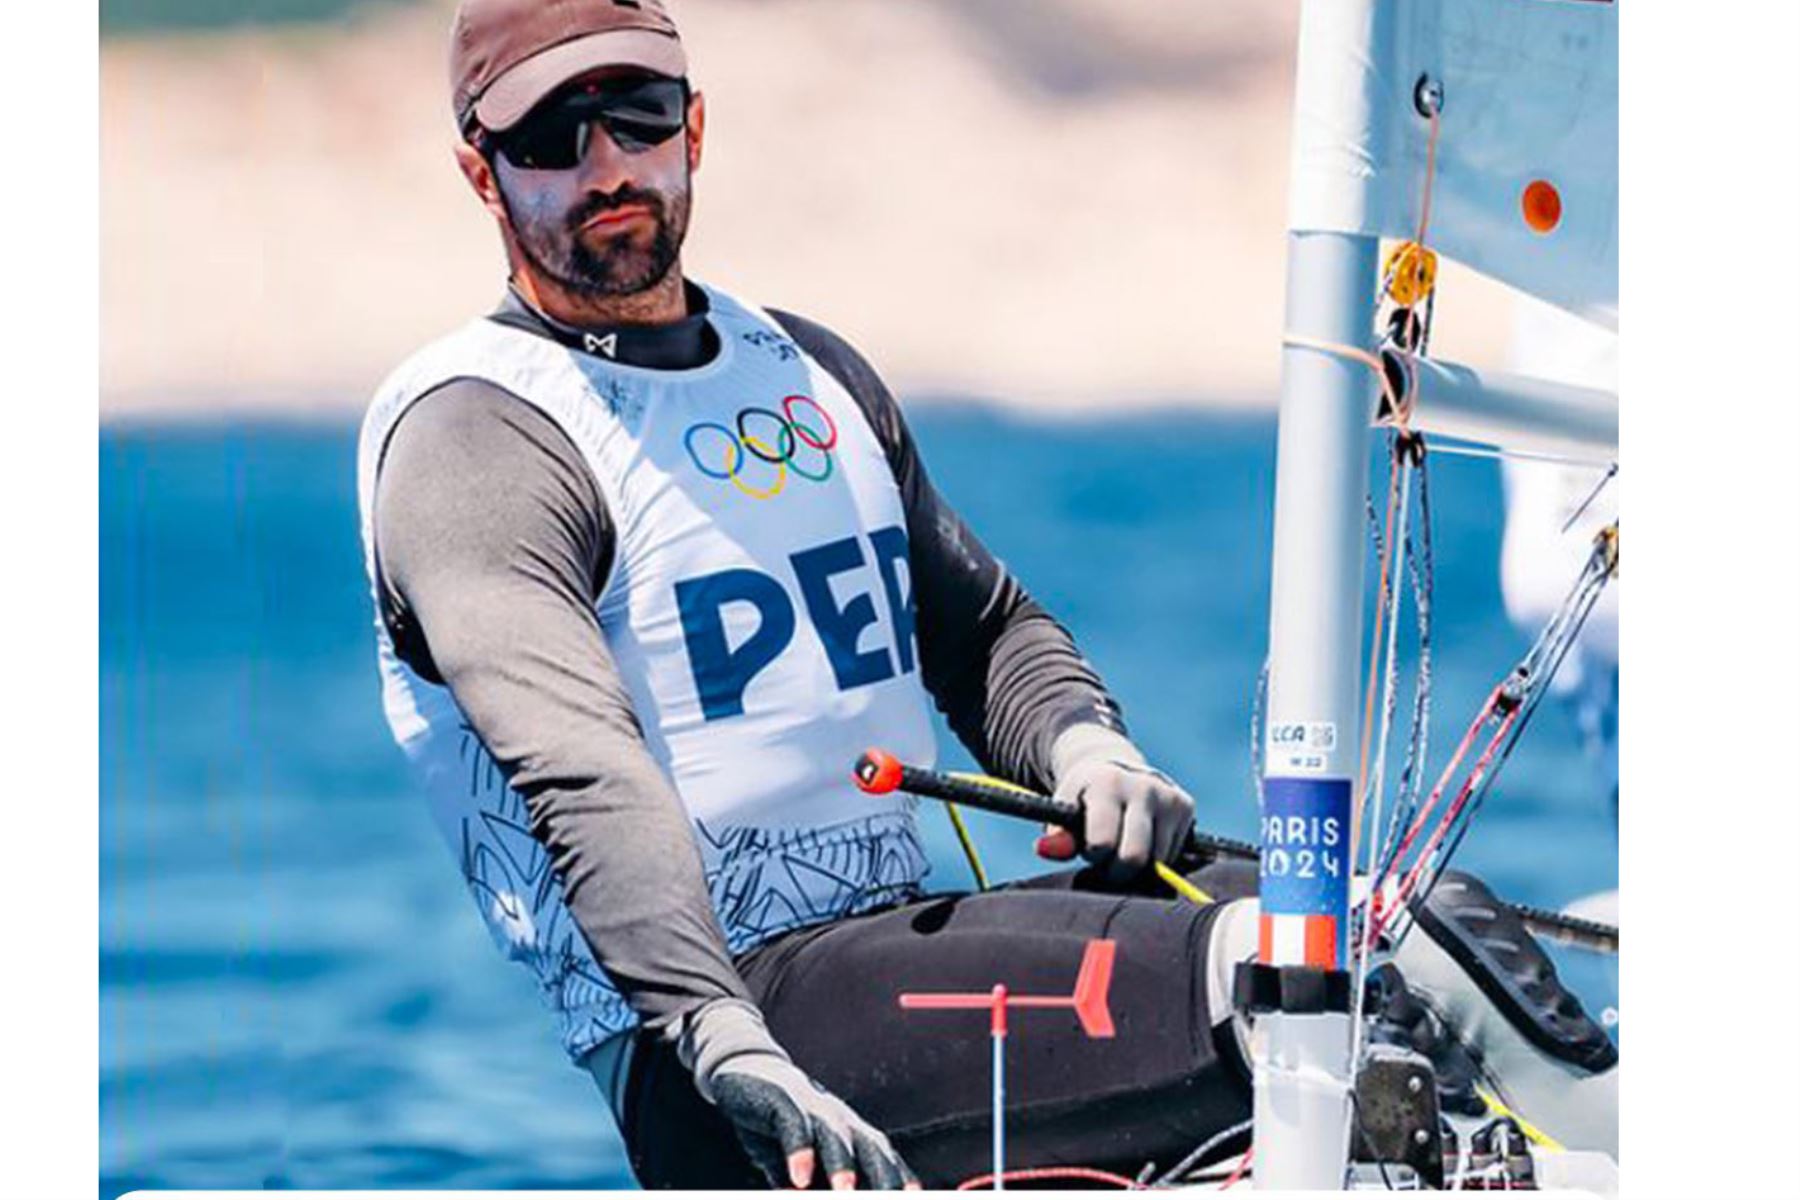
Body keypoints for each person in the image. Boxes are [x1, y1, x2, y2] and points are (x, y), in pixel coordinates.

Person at [357, 0, 1618, 1187]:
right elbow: (583, 770)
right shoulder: (478, 439)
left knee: (1418, 923)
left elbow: (985, 631)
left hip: (907, 964)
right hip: (727, 1042)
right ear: (483, 171)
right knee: (1283, 980)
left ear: (695, 125)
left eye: (632, 110)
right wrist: (714, 1034)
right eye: (548, 137)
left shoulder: (806, 369)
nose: (605, 165)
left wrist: (1083, 744)